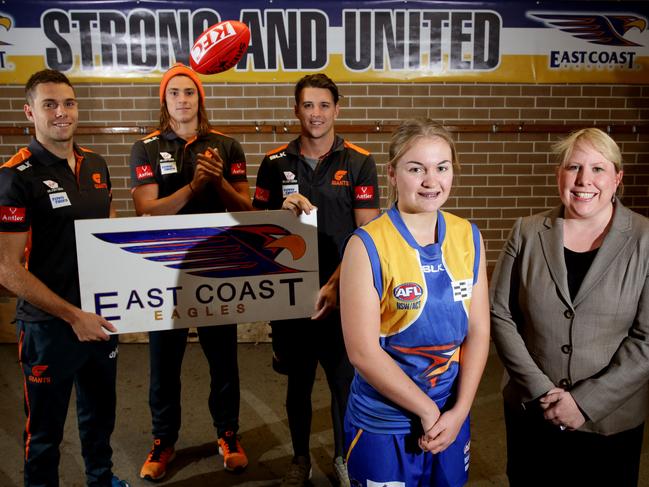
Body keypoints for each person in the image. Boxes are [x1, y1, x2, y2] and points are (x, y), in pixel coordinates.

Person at [490, 128, 649, 487]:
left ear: (617, 178)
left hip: (610, 421)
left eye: (597, 169)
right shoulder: (527, 232)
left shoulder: (644, 239)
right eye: (573, 167)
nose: (583, 180)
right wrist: (543, 391)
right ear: (558, 174)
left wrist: (584, 403)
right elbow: (500, 314)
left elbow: (647, 340)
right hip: (532, 412)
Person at [339, 119, 490, 486]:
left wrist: (459, 411)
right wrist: (427, 411)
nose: (431, 181)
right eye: (416, 168)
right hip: (384, 423)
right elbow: (362, 353)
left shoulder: (468, 236)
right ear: (391, 174)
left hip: (450, 417)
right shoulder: (365, 245)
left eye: (442, 167)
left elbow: (479, 331)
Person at [0, 70, 130, 486]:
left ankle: (101, 478)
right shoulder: (15, 177)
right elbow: (7, 268)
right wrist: (73, 315)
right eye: (50, 104)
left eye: (69, 103)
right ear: (29, 112)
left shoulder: (95, 164)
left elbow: (109, 227)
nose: (62, 113)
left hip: (101, 319)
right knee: (43, 435)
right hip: (48, 327)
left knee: (99, 419)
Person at [253, 73, 379, 486]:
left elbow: (368, 233)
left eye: (324, 105)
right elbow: (254, 229)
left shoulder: (359, 162)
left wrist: (336, 284)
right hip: (292, 298)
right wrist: (276, 210)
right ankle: (300, 458)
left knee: (344, 382)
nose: (316, 114)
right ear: (296, 110)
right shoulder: (274, 164)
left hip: (344, 296)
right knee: (298, 382)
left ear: (337, 109)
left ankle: (344, 457)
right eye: (308, 105)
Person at [129, 63, 252, 481]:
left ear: (201, 99)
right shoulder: (145, 148)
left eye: (190, 93)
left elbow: (248, 212)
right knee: (164, 362)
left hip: (218, 267)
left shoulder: (227, 147)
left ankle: (228, 433)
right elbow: (146, 212)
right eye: (174, 93)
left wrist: (217, 183)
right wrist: (194, 187)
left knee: (224, 359)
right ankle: (163, 441)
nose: (183, 100)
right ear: (164, 102)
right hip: (164, 272)